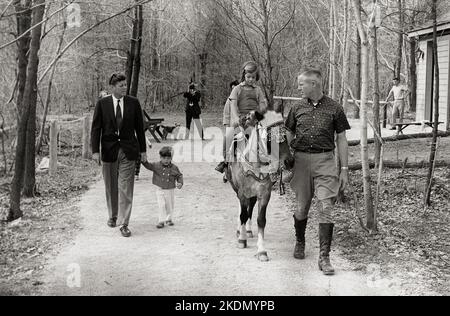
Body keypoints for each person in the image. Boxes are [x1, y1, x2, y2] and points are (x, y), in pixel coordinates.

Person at [285, 69, 351, 276]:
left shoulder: (335, 108)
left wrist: (344, 170)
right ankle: (300, 241)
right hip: (301, 161)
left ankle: (324, 257)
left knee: (326, 206)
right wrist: (289, 156)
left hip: (325, 161)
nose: (299, 87)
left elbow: (341, 139)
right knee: (302, 207)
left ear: (314, 84)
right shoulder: (296, 107)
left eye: (301, 84)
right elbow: (289, 131)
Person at [91, 73, 147, 238]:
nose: (124, 87)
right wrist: (95, 151)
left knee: (126, 187)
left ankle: (124, 223)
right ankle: (113, 215)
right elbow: (96, 129)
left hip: (129, 151)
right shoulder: (102, 104)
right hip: (109, 150)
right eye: (121, 85)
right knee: (111, 186)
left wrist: (143, 151)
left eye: (125, 85)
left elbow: (139, 129)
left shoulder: (133, 103)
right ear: (112, 87)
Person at [215, 61, 267, 173]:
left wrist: (260, 113)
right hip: (240, 118)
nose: (250, 79)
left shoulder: (257, 90)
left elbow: (262, 104)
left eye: (253, 77)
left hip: (253, 119)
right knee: (228, 137)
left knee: (266, 136)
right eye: (248, 77)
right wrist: (235, 118)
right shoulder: (237, 89)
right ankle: (225, 162)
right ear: (244, 75)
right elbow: (232, 105)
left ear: (256, 77)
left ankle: (268, 162)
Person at [142, 147, 184, 229]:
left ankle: (169, 219)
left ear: (171, 158)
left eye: (168, 158)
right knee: (161, 205)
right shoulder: (156, 165)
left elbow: (179, 175)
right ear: (160, 157)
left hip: (170, 190)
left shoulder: (174, 168)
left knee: (169, 205)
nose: (166, 160)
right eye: (164, 158)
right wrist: (143, 161)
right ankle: (161, 221)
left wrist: (180, 182)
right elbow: (149, 166)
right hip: (159, 189)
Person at [218, 80, 240, 182]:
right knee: (226, 146)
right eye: (232, 88)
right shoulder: (229, 100)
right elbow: (226, 114)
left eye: (235, 88)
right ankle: (226, 168)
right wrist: (227, 127)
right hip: (231, 127)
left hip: (242, 128)